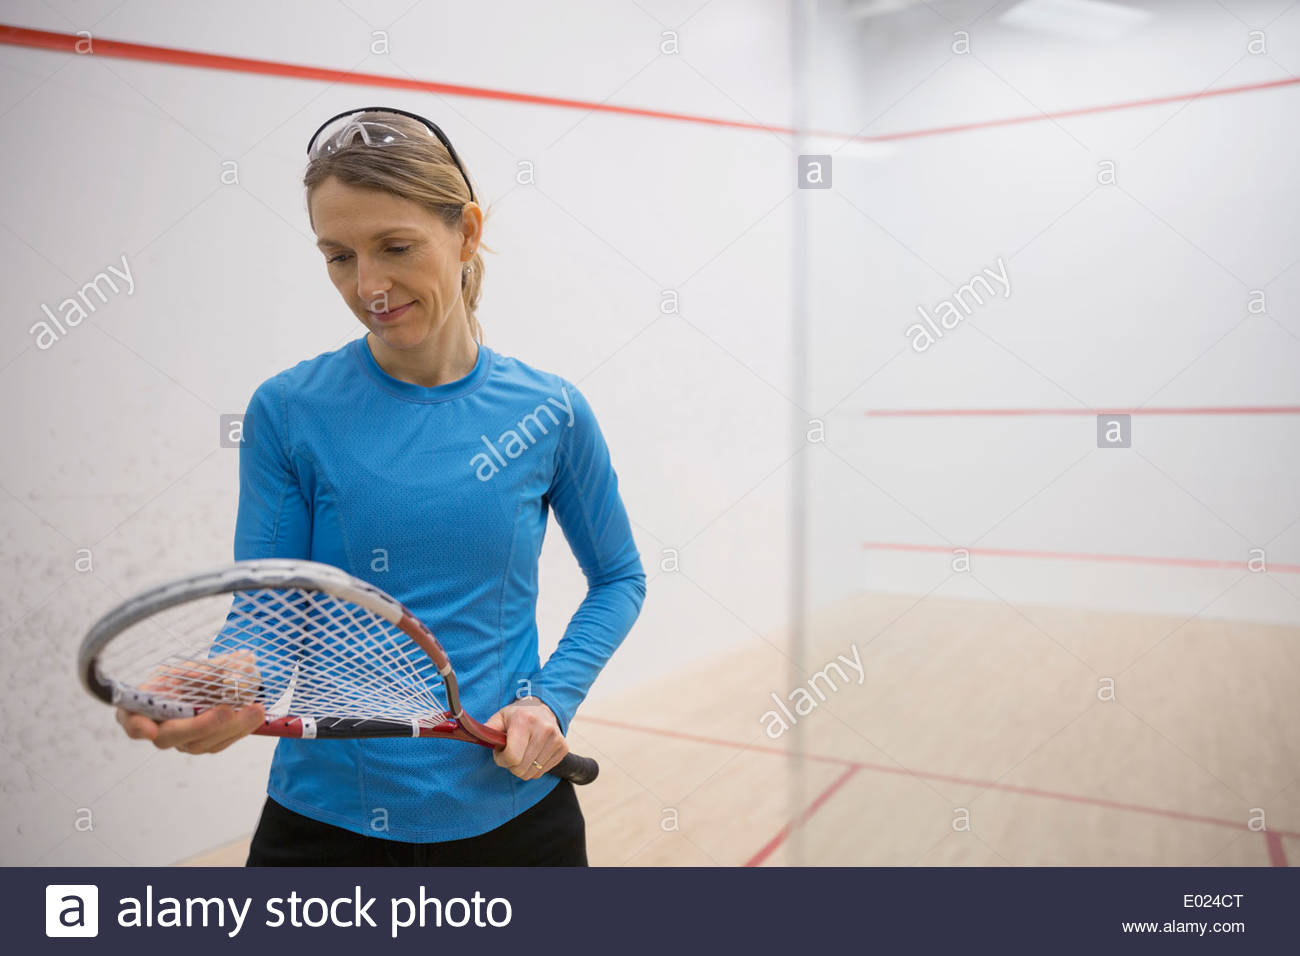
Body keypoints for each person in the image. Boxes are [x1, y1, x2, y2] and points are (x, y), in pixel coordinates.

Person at [114, 107, 647, 865]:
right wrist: (236, 678)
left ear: (465, 231)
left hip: (517, 823)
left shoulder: (550, 414)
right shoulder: (289, 411)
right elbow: (268, 609)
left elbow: (619, 578)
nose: (368, 285)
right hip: (325, 827)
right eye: (337, 256)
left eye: (396, 247)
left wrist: (548, 699)